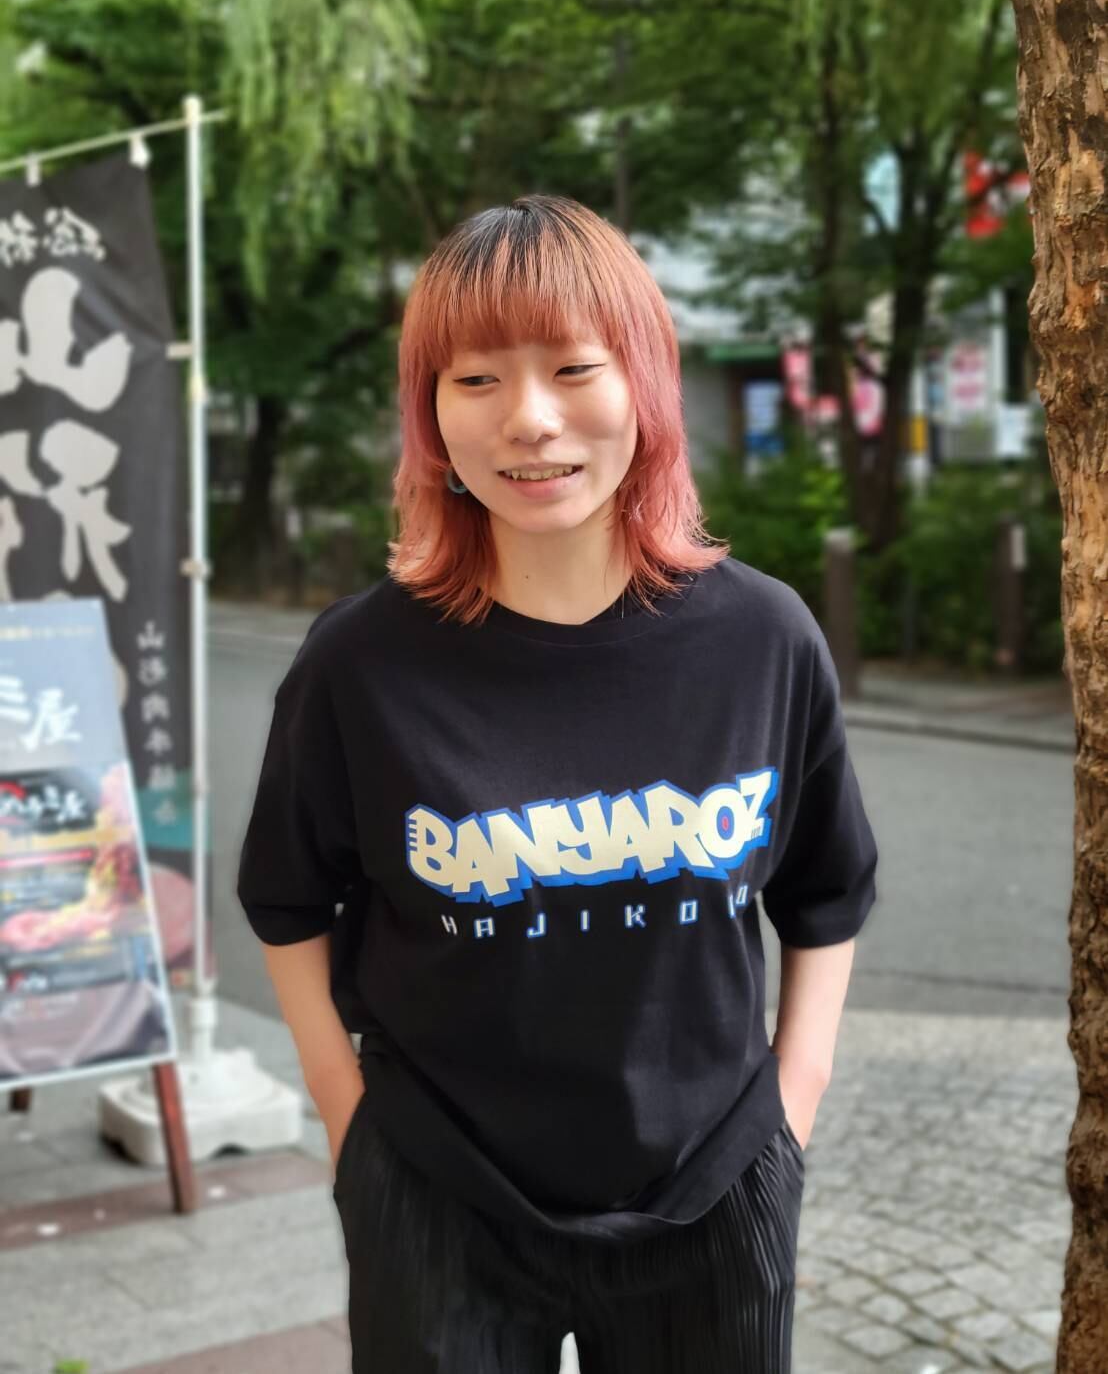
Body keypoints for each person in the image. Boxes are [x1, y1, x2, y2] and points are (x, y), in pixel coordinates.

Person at [236, 194, 879, 1374]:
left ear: (645, 380)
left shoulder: (762, 640)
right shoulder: (360, 663)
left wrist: (790, 1109)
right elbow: (287, 899)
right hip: (438, 1190)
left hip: (709, 1190)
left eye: (573, 367)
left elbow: (826, 891)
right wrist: (349, 1120)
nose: (529, 419)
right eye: (475, 379)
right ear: (430, 412)